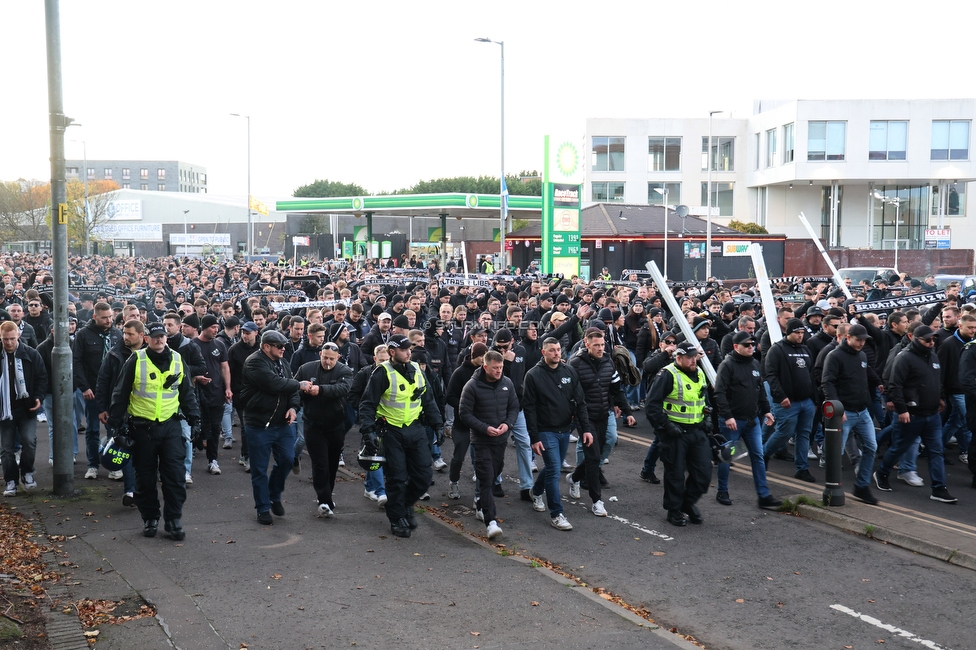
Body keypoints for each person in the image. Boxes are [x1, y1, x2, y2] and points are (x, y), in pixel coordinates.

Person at [107, 322, 200, 540]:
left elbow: (187, 394)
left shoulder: (177, 359)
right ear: (147, 338)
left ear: (167, 337)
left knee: (175, 477)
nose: (159, 340)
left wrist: (195, 420)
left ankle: (173, 520)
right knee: (145, 478)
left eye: (163, 336)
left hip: (170, 427)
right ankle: (150, 518)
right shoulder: (136, 360)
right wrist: (116, 424)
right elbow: (120, 394)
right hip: (142, 428)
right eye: (155, 336)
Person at [358, 334, 444, 538]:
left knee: (424, 475)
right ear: (392, 352)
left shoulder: (416, 369)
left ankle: (405, 504)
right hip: (391, 431)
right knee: (396, 477)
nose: (408, 353)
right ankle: (396, 518)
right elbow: (367, 404)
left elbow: (429, 400)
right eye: (404, 350)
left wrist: (438, 424)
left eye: (410, 350)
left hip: (415, 429)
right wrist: (368, 431)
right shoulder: (382, 372)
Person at [872, 325, 957, 503]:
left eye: (933, 339)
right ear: (912, 337)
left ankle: (939, 488)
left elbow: (936, 380)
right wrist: (902, 410)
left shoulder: (932, 355)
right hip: (911, 414)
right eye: (927, 339)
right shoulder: (904, 357)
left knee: (936, 451)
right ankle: (882, 472)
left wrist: (940, 397)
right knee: (899, 447)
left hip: (931, 413)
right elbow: (895, 385)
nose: (931, 342)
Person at [239, 330, 308, 525]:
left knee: (287, 460)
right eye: (279, 346)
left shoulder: (283, 361)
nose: (283, 349)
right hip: (259, 424)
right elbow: (274, 383)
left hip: (283, 424)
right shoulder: (255, 362)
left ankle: (274, 494)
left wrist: (294, 408)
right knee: (259, 469)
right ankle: (263, 508)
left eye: (284, 346)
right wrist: (299, 384)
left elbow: (291, 388)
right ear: (266, 346)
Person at [523, 337, 592, 531]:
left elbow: (580, 402)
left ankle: (536, 492)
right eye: (552, 350)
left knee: (552, 467)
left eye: (559, 349)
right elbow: (529, 408)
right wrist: (534, 437)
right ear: (543, 352)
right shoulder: (533, 375)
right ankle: (557, 513)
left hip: (564, 429)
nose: (556, 353)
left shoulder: (569, 371)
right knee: (554, 468)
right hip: (545, 430)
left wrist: (585, 429)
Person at [566, 328, 634, 517]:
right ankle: (597, 501)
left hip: (603, 415)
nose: (600, 348)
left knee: (595, 456)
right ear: (587, 344)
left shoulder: (608, 362)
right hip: (584, 417)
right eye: (596, 345)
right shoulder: (576, 364)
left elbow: (616, 389)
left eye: (602, 345)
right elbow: (571, 393)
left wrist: (627, 411)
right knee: (594, 458)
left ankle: (574, 478)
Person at [713, 330, 783, 510]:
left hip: (752, 420)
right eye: (747, 345)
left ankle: (764, 496)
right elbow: (719, 393)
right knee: (727, 456)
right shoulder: (727, 365)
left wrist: (767, 411)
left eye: (752, 344)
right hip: (733, 421)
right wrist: (727, 416)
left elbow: (759, 390)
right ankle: (722, 490)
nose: (751, 347)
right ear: (736, 347)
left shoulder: (754, 363)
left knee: (758, 457)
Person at [645, 341, 712, 526]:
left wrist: (708, 416)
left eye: (694, 357)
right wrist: (665, 426)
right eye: (689, 358)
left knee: (704, 473)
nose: (693, 361)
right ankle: (673, 510)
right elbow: (652, 405)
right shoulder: (667, 374)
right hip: (674, 432)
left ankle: (687, 503)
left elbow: (703, 399)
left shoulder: (699, 372)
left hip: (697, 430)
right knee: (675, 474)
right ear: (679, 358)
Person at [458, 350, 520, 539]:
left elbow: (514, 407)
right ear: (485, 367)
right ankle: (490, 521)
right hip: (481, 441)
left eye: (501, 367)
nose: (499, 371)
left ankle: (481, 503)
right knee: (485, 479)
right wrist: (484, 428)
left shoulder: (507, 384)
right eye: (495, 368)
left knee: (494, 474)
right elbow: (464, 413)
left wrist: (507, 424)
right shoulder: (472, 386)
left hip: (500, 440)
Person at [821, 323, 881, 505]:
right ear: (848, 338)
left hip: (862, 410)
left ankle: (861, 486)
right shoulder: (835, 356)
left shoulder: (861, 355)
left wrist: (878, 381)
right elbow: (827, 382)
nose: (861, 343)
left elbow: (865, 371)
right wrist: (837, 408)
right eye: (858, 340)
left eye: (863, 340)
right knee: (835, 452)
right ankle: (833, 487)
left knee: (871, 447)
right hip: (845, 410)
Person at [294, 341, 353, 518]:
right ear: (320, 354)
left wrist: (320, 390)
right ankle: (324, 500)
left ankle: (327, 496)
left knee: (332, 464)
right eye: (325, 358)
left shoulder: (344, 371)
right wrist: (301, 391)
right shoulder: (306, 369)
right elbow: (294, 388)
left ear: (338, 358)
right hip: (313, 424)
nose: (328, 362)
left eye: (332, 359)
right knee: (320, 464)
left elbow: (343, 389)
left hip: (335, 425)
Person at [96, 319, 145, 506]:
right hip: (120, 412)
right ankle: (131, 491)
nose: (126, 337)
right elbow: (103, 381)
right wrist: (102, 408)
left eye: (130, 334)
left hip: (145, 412)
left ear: (141, 335)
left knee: (145, 453)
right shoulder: (114, 354)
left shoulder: (152, 354)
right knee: (126, 452)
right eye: (124, 333)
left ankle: (142, 488)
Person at [762, 318, 817, 482]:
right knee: (784, 432)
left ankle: (802, 468)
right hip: (787, 401)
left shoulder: (805, 349)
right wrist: (780, 396)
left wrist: (814, 399)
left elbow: (812, 374)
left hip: (806, 401)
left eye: (802, 333)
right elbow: (771, 375)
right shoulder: (777, 350)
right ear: (788, 332)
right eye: (797, 333)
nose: (800, 336)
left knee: (804, 435)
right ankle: (763, 454)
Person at [73, 301, 122, 479]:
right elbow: (76, 362)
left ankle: (114, 466)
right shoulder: (83, 335)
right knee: (93, 429)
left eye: (110, 317)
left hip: (114, 391)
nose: (109, 320)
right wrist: (84, 386)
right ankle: (93, 464)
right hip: (92, 389)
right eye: (104, 318)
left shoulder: (118, 334)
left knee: (113, 429)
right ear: (95, 317)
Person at [0, 322, 47, 497]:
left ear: (18, 336)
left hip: (25, 407)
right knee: (6, 448)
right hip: (4, 408)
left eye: (12, 339)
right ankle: (11, 480)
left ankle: (27, 472)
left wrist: (38, 398)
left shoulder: (31, 354)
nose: (9, 343)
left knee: (29, 441)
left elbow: (42, 378)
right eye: (5, 339)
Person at [193, 314, 232, 476]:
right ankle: (196, 445)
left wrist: (228, 388)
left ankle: (213, 461)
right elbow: (185, 367)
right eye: (213, 327)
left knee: (215, 428)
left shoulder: (220, 345)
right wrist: (196, 378)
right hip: (197, 394)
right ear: (204, 327)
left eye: (217, 327)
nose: (216, 330)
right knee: (198, 426)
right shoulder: (192, 345)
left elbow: (224, 368)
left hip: (216, 392)